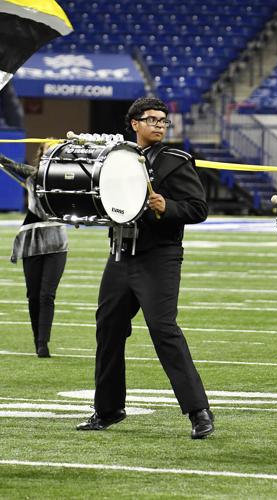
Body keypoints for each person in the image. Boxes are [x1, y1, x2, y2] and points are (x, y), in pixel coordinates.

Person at [76, 97, 214, 439]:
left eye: (163, 121)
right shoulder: (116, 158)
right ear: (134, 123)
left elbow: (197, 209)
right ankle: (107, 409)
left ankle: (199, 411)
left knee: (164, 330)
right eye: (151, 119)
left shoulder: (175, 161)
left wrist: (168, 206)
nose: (159, 125)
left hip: (159, 257)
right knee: (108, 331)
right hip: (120, 255)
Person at [1, 143, 67, 357]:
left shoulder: (67, 178)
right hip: (32, 241)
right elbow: (8, 163)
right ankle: (36, 338)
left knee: (47, 294)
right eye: (48, 150)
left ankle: (43, 343)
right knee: (33, 295)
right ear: (41, 156)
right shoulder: (32, 176)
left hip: (56, 242)